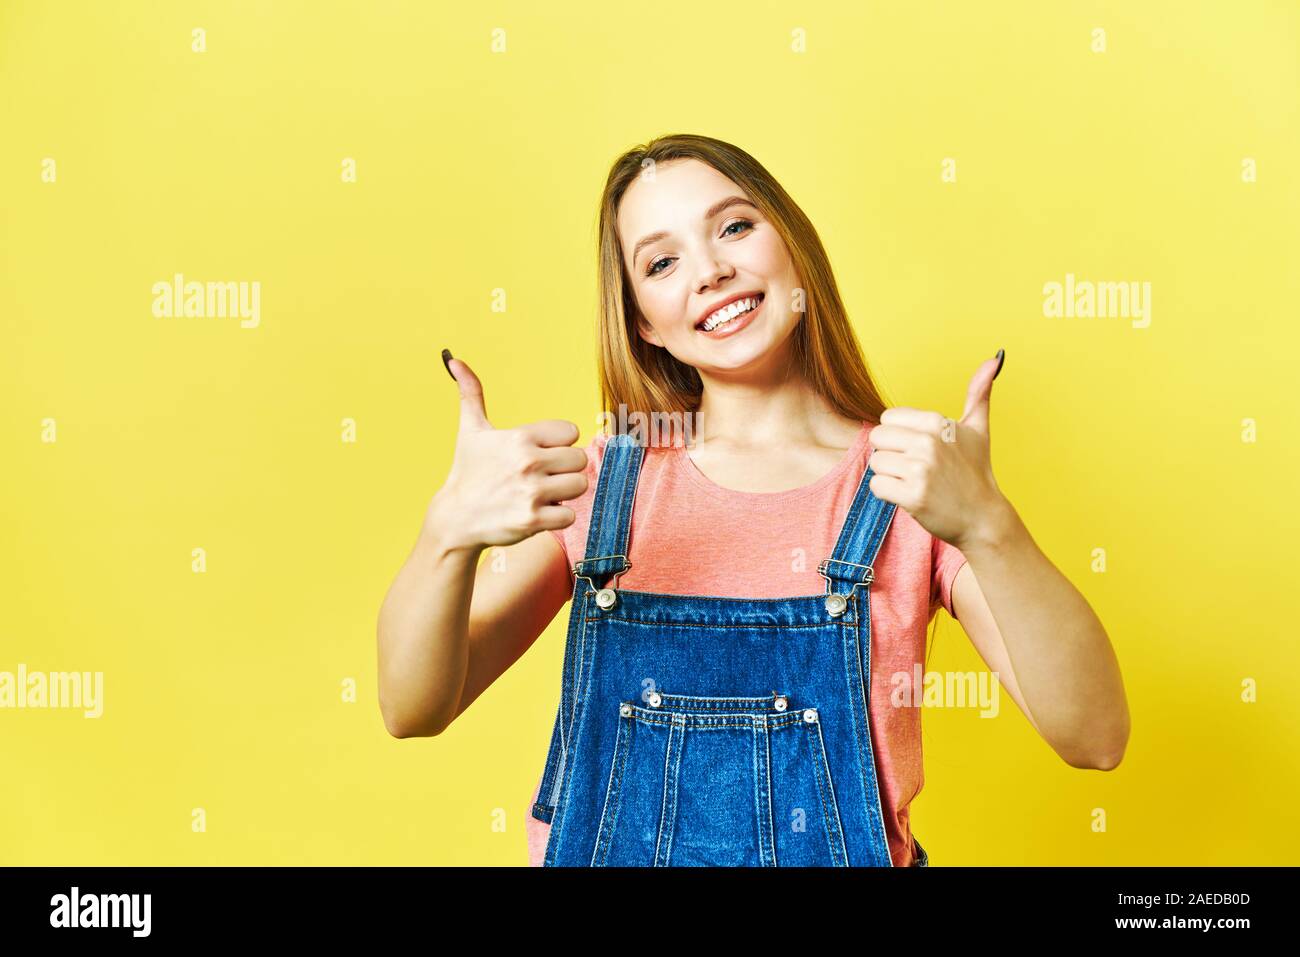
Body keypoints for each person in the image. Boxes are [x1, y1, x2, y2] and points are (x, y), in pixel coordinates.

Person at [376, 133, 1130, 867]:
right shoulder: (603, 485)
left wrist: (991, 525)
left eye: (734, 226)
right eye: (663, 261)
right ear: (644, 321)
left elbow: (1095, 736)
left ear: (792, 247)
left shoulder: (914, 487)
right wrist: (446, 536)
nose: (710, 271)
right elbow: (414, 708)